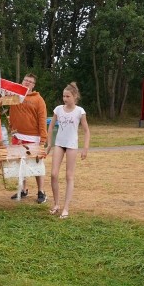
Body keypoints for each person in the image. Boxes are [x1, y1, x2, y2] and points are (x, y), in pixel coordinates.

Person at [45, 83, 90, 219]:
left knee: (69, 176)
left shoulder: (80, 111)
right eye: (63, 96)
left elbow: (86, 131)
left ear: (74, 97)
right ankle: (56, 204)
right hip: (59, 144)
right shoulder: (58, 109)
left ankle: (66, 208)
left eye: (68, 96)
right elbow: (51, 126)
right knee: (53, 174)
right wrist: (48, 144)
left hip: (71, 145)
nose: (65, 98)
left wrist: (85, 148)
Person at [8, 73, 48, 203]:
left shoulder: (38, 99)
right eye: (25, 80)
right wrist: (11, 128)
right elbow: (10, 112)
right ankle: (23, 189)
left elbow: (42, 120)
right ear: (22, 81)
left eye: (30, 82)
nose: (27, 83)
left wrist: (43, 139)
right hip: (17, 136)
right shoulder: (14, 96)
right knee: (20, 164)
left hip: (33, 138)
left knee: (37, 164)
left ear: (34, 85)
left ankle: (41, 191)